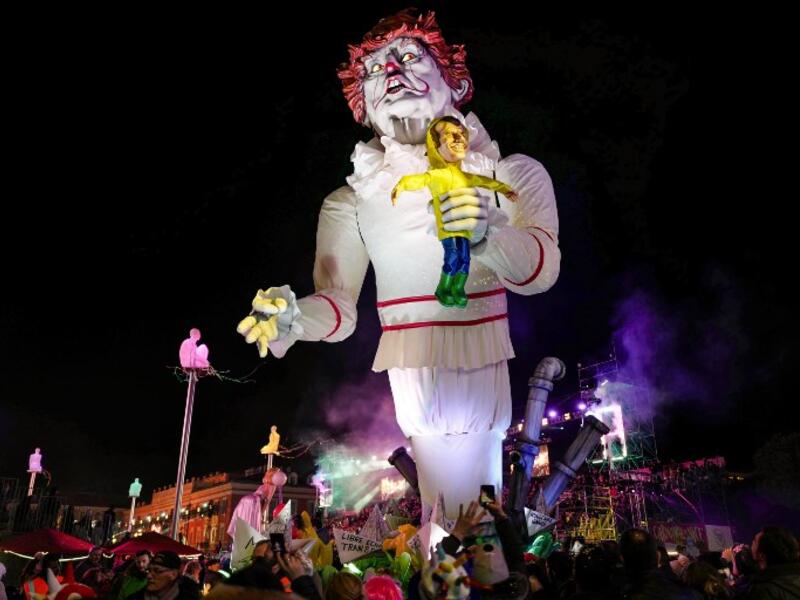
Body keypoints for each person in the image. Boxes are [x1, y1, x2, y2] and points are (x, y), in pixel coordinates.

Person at [236, 8, 560, 517]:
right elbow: (340, 310)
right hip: (412, 371)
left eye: (409, 57)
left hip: (480, 361)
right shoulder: (351, 202)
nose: (389, 73)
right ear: (360, 107)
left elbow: (540, 272)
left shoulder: (512, 173)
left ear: (458, 83)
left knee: (472, 519)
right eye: (372, 71)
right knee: (451, 521)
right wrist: (294, 316)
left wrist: (489, 234)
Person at [392, 117, 517, 307]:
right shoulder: (437, 175)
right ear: (436, 144)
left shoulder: (465, 175)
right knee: (452, 256)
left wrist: (504, 189)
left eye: (461, 134)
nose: (459, 138)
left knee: (465, 258)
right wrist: (400, 186)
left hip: (467, 227)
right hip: (448, 227)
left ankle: (458, 289)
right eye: (450, 134)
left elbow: (484, 181)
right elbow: (418, 180)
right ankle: (443, 288)